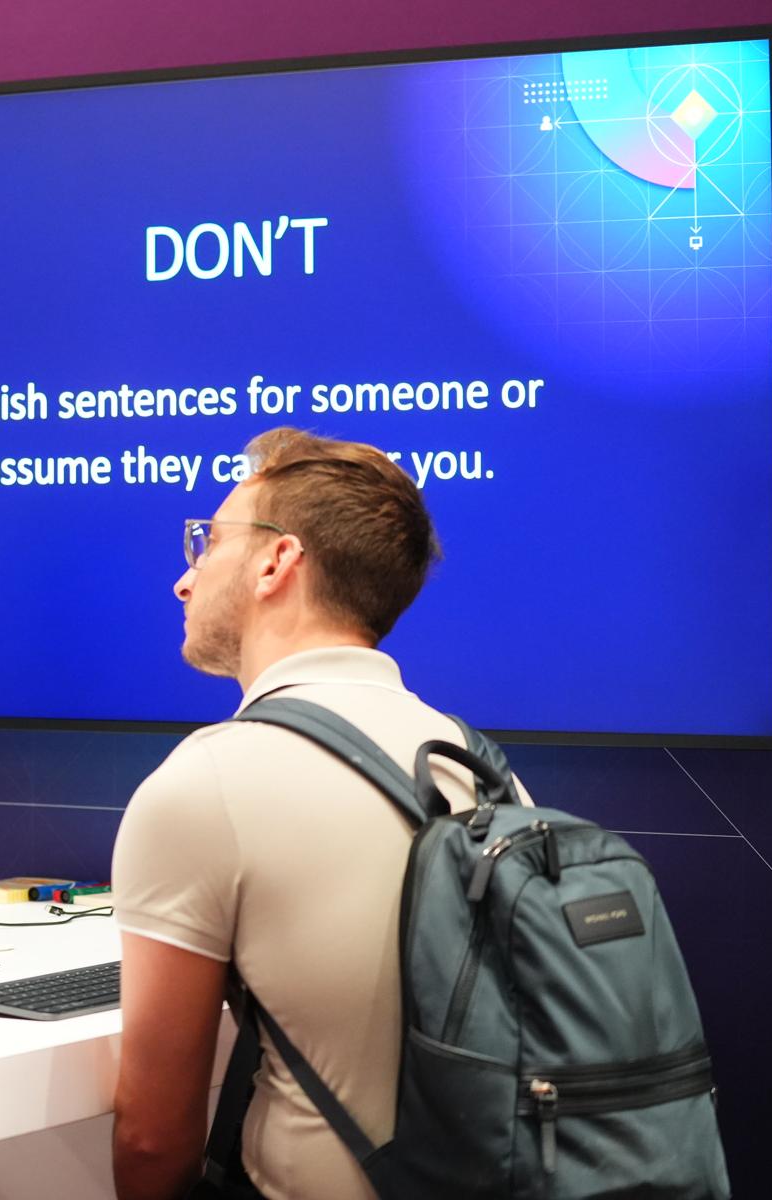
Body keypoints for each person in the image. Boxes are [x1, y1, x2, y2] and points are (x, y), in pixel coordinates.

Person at [109, 428, 527, 1200]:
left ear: (276, 562)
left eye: (209, 543)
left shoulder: (208, 782)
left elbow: (151, 1138)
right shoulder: (483, 769)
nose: (184, 581)